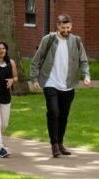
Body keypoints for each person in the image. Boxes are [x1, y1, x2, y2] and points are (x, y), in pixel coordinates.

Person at [29, 14, 91, 157]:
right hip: (50, 82)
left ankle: (61, 143)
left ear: (71, 26)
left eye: (68, 27)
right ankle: (54, 144)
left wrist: (86, 75)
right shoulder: (48, 40)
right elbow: (36, 60)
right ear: (57, 26)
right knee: (53, 111)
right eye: (63, 27)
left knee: (63, 115)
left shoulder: (76, 41)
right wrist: (34, 79)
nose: (66, 30)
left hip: (68, 84)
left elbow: (84, 61)